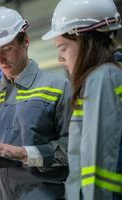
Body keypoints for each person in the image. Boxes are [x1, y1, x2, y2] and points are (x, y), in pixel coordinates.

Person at [0, 6, 71, 200]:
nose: (0, 59)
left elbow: (70, 148)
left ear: (25, 41)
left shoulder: (58, 88)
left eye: (7, 49)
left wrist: (25, 154)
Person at [42, 0, 122, 199]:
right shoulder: (104, 77)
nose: (60, 58)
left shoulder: (102, 78)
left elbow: (99, 161)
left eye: (63, 47)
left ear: (86, 40)